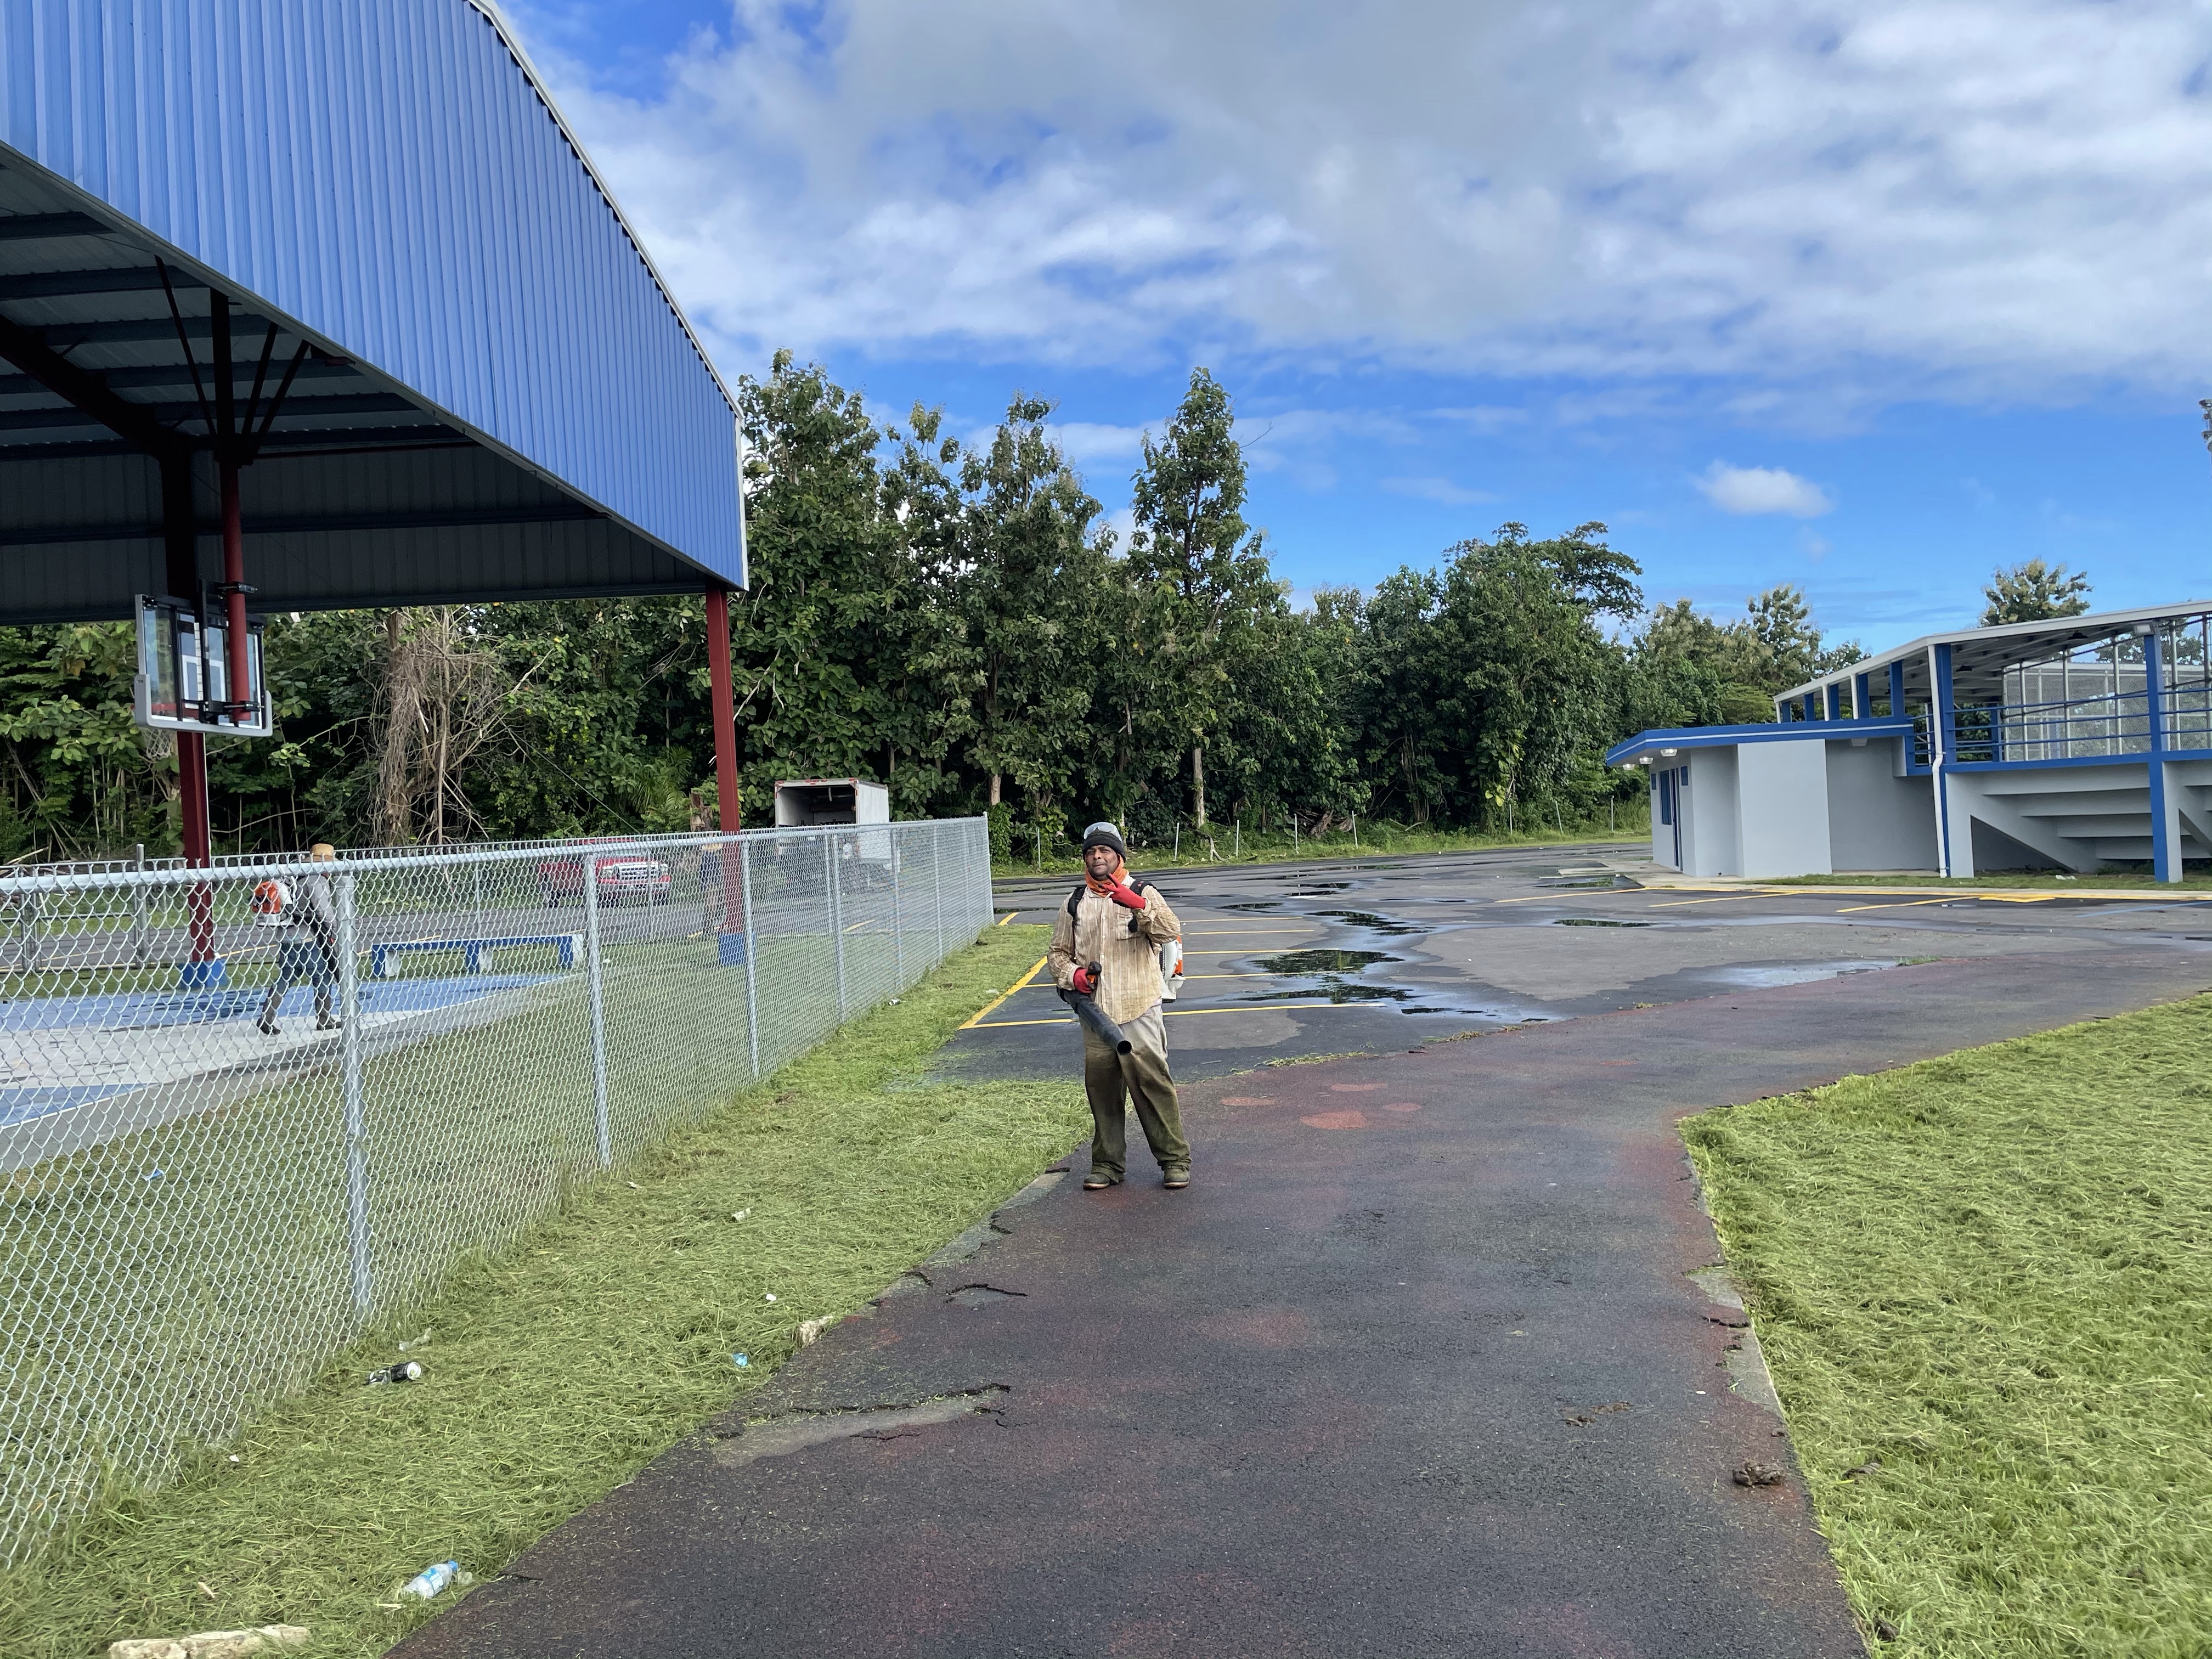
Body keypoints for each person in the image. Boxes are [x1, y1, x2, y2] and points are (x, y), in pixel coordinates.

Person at [1047, 822, 1190, 1190]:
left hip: (1139, 1007)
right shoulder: (1075, 902)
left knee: (1152, 1085)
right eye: (1091, 852)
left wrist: (1139, 906)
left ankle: (1175, 1161)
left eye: (1105, 851)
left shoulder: (1143, 891)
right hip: (1097, 1015)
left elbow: (1169, 931)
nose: (1098, 857)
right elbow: (1058, 953)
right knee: (1103, 1091)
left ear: (1119, 857)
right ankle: (1108, 1165)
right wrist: (1074, 976)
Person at [256, 843, 342, 1036]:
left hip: (286, 936)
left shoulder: (294, 875)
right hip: (308, 937)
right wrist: (336, 930)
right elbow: (323, 911)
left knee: (287, 976)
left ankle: (267, 1016)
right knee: (322, 975)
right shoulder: (316, 879)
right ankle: (324, 1018)